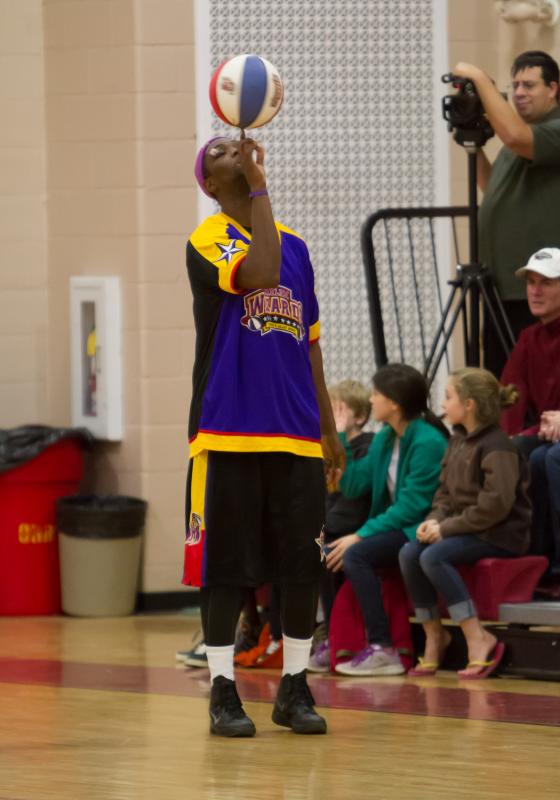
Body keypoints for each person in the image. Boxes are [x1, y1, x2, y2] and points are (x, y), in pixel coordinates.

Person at [183, 134, 344, 737]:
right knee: (226, 568)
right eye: (221, 150)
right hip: (227, 429)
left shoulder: (298, 247)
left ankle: (294, 689)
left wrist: (328, 428)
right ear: (212, 182)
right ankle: (223, 692)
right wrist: (258, 186)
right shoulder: (209, 238)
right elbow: (260, 270)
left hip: (296, 432)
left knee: (302, 567)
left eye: (238, 144)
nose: (236, 147)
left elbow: (312, 346)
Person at [399, 368, 531, 680]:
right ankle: (434, 635)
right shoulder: (457, 440)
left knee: (433, 555)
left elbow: (495, 506)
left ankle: (477, 636)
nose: (442, 403)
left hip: (500, 532)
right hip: (467, 527)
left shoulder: (498, 445)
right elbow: (444, 495)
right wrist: (432, 521)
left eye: (448, 396)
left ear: (469, 404)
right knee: (409, 552)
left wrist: (445, 529)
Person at [324, 364, 449, 677]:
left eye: (376, 394)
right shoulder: (384, 439)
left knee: (355, 553)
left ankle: (383, 647)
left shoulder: (428, 441)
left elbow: (412, 507)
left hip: (419, 527)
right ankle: (336, 639)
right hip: (395, 525)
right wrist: (339, 438)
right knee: (327, 554)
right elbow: (352, 485)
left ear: (394, 403)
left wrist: (361, 534)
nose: (371, 400)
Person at [452, 51, 560, 376]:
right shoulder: (523, 137)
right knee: (499, 374)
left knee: (525, 377)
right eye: (514, 85)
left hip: (537, 286)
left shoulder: (552, 130)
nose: (518, 93)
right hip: (501, 283)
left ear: (553, 89)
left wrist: (479, 77)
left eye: (529, 85)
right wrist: (473, 145)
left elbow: (515, 136)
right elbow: (493, 186)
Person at [500, 247, 560, 561]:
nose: (535, 291)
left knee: (548, 458)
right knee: (510, 451)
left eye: (546, 283)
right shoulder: (529, 338)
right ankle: (534, 561)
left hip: (556, 436)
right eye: (531, 282)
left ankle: (554, 561)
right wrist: (503, 436)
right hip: (546, 433)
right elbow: (510, 395)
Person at [307, 380, 374, 673]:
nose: (333, 417)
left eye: (340, 410)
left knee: (325, 554)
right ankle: (315, 632)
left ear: (358, 416)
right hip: (332, 525)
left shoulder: (368, 445)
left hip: (354, 524)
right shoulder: (326, 448)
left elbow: (353, 495)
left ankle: (339, 636)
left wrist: (340, 436)